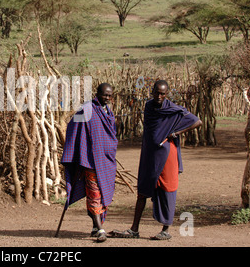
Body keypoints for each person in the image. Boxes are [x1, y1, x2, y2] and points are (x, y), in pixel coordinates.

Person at [111, 80, 202, 240]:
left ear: (167, 94)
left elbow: (197, 121)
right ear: (152, 91)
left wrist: (176, 133)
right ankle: (134, 229)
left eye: (162, 94)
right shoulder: (149, 107)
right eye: (157, 93)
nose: (159, 96)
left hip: (167, 154)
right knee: (142, 190)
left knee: (168, 189)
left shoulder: (173, 109)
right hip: (149, 153)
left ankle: (165, 230)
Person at [60, 83, 118, 242]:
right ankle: (100, 230)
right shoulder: (88, 109)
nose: (107, 98)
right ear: (97, 93)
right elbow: (73, 124)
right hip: (91, 160)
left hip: (106, 160)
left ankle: (94, 226)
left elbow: (110, 134)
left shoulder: (108, 112)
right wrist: (79, 147)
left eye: (109, 95)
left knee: (104, 191)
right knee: (94, 194)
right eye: (104, 94)